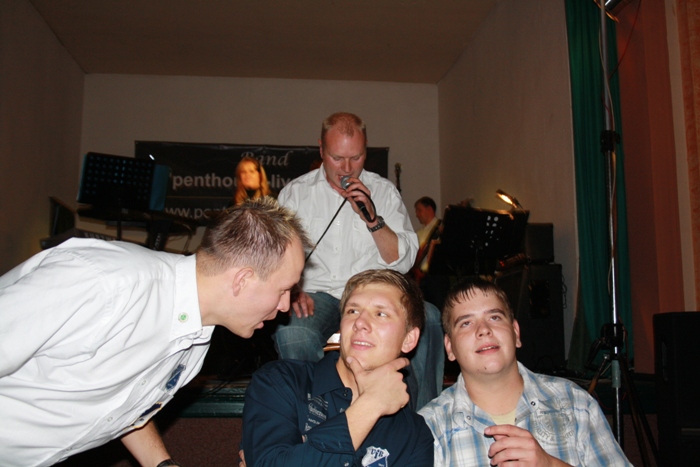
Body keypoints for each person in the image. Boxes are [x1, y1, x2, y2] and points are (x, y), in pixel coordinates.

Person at [0, 199, 308, 467]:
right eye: (283, 289)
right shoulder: (103, 283)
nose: (286, 306)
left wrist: (161, 464)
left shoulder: (197, 340)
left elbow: (124, 402)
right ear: (242, 280)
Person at [273, 111, 444, 410]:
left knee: (427, 318)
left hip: (373, 295)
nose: (347, 168)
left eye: (357, 157)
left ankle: (425, 418)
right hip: (316, 296)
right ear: (321, 150)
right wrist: (292, 289)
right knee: (293, 333)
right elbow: (275, 256)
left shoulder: (384, 192)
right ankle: (318, 419)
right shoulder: (295, 195)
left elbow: (403, 262)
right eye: (337, 158)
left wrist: (373, 220)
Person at [418, 277, 632, 466]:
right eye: (466, 323)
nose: (484, 330)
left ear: (516, 333)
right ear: (449, 348)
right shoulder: (430, 428)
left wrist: (551, 465)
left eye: (494, 317)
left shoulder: (575, 404)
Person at [240, 269, 434, 466]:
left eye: (380, 314)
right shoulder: (280, 382)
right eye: (353, 311)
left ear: (409, 339)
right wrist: (370, 405)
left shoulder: (413, 434)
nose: (360, 323)